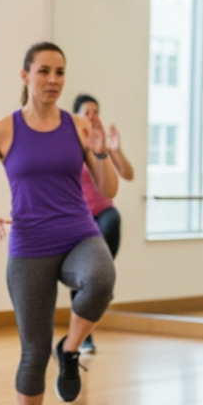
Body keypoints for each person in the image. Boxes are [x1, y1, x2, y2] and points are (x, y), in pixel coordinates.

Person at [0, 42, 116, 405]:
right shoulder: (3, 130)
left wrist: (101, 153)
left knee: (101, 278)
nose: (53, 80)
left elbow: (109, 189)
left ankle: (70, 350)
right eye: (44, 71)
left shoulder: (80, 126)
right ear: (25, 75)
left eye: (60, 72)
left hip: (78, 233)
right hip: (28, 247)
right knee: (32, 353)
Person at [71, 94, 134, 352]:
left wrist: (115, 151)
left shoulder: (101, 143)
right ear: (76, 116)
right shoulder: (69, 143)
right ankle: (84, 337)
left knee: (112, 222)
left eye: (96, 111)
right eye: (87, 111)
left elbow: (128, 174)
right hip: (79, 218)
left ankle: (103, 277)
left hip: (103, 211)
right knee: (82, 276)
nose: (92, 116)